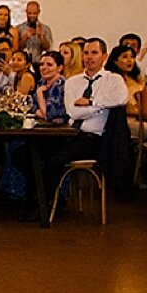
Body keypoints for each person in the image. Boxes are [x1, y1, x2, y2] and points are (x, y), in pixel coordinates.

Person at [29, 38, 128, 221]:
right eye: (86, 53)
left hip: (94, 139)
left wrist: (91, 102)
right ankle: (39, 200)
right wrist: (100, 108)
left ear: (104, 56)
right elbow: (72, 111)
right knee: (28, 154)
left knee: (54, 161)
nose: (89, 57)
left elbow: (121, 99)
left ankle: (45, 207)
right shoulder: (73, 82)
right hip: (70, 134)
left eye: (94, 53)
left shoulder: (114, 80)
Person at [106, 44, 145, 138]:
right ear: (115, 61)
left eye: (132, 57)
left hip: (140, 117)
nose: (129, 60)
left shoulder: (137, 80)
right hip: (119, 119)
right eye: (124, 57)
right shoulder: (110, 79)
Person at [33, 49, 67, 122]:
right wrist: (38, 112)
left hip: (60, 129)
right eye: (42, 64)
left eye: (49, 65)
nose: (44, 67)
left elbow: (47, 115)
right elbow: (32, 107)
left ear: (60, 68)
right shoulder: (42, 81)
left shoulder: (61, 85)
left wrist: (39, 93)